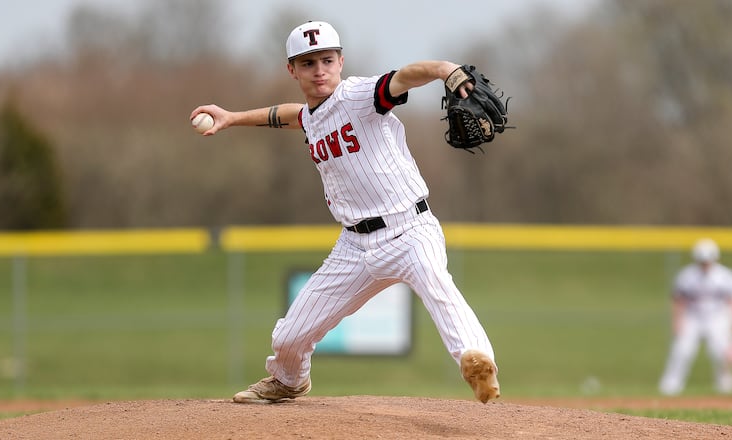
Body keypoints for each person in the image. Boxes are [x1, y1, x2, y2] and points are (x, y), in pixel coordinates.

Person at [190, 20, 500, 404]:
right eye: (307, 63)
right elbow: (291, 115)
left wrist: (443, 70)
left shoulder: (359, 95)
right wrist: (233, 117)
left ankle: (477, 361)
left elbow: (403, 77)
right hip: (354, 247)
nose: (319, 70)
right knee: (289, 336)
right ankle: (288, 379)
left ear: (340, 61)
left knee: (438, 286)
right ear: (292, 70)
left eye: (326, 59)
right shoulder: (311, 117)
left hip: (410, 230)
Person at [658, 238, 732, 395]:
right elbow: (678, 299)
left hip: (716, 318)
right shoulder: (687, 275)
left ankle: (726, 384)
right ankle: (670, 385)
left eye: (708, 261)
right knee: (682, 350)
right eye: (702, 261)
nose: (705, 264)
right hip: (693, 317)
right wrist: (677, 321)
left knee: (721, 351)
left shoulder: (724, 275)